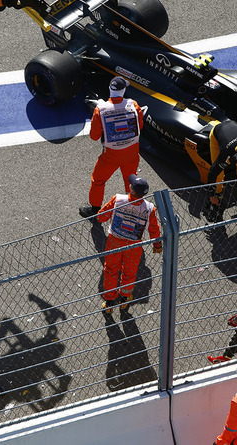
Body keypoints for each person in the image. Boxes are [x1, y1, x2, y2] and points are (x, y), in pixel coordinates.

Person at [79, 77, 144, 219]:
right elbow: (140, 126)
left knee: (98, 181)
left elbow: (94, 136)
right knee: (130, 181)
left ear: (110, 89)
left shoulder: (100, 109)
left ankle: (95, 210)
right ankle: (133, 209)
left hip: (111, 155)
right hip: (132, 152)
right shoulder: (133, 104)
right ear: (124, 90)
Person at [96, 175, 162, 315]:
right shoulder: (149, 208)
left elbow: (101, 216)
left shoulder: (118, 199)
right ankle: (124, 299)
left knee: (110, 270)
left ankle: (109, 302)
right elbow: (154, 229)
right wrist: (157, 245)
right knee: (129, 272)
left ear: (131, 189)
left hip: (114, 241)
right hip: (134, 245)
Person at [192, 120, 237, 222]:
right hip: (217, 133)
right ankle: (217, 197)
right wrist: (212, 195)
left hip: (232, 124)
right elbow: (212, 173)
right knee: (219, 175)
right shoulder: (226, 156)